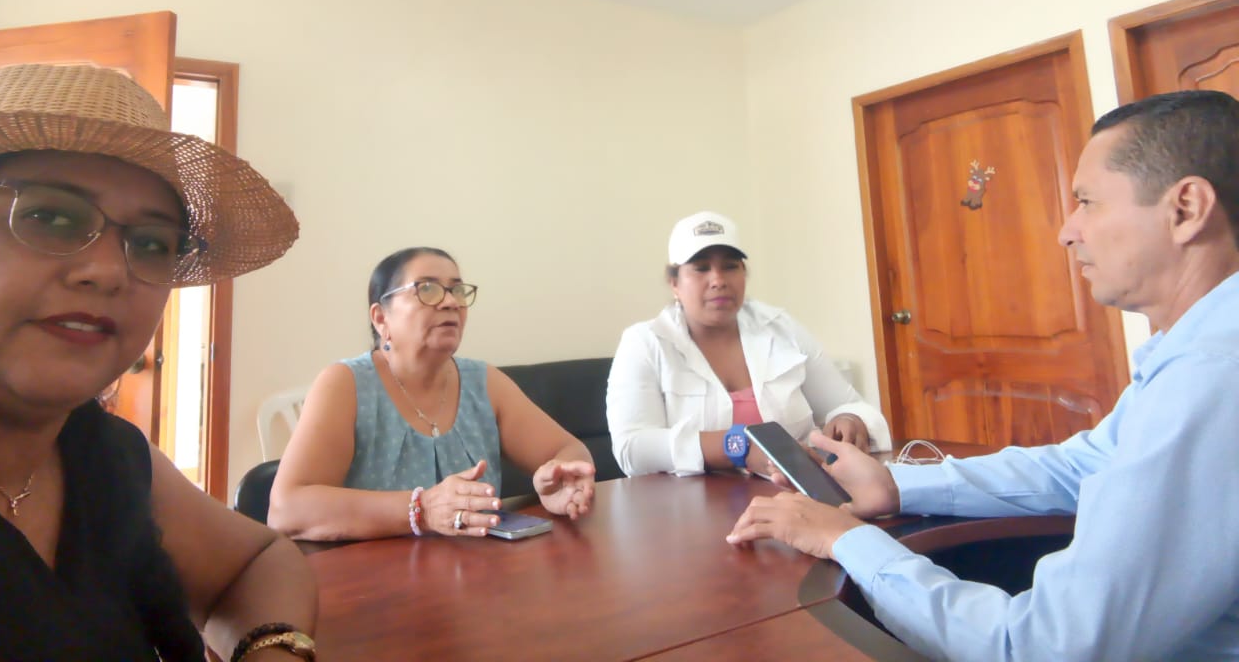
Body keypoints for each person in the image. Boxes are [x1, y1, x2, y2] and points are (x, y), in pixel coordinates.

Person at [726, 90, 1239, 662]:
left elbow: (1042, 648)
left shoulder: (1212, 376)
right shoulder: (1197, 350)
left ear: (1186, 208)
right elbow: (1086, 463)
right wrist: (897, 485)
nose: (1067, 231)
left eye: (1087, 202)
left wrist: (848, 542)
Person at [0, 62, 317, 662]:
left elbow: (260, 559)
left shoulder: (106, 455)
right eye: (50, 216)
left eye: (151, 243)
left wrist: (272, 649)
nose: (108, 270)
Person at [268, 246, 596, 540]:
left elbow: (568, 450)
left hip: (478, 574)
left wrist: (561, 485)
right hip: (371, 580)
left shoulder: (484, 382)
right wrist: (421, 509)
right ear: (381, 318)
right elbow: (287, 510)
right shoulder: (345, 384)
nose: (451, 302)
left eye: (457, 290)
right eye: (427, 288)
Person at [606, 211, 890, 478]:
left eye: (730, 267)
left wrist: (851, 420)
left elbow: (849, 405)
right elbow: (632, 448)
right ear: (674, 283)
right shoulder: (645, 342)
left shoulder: (781, 327)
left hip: (797, 493)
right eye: (701, 268)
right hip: (693, 504)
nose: (718, 280)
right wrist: (739, 446)